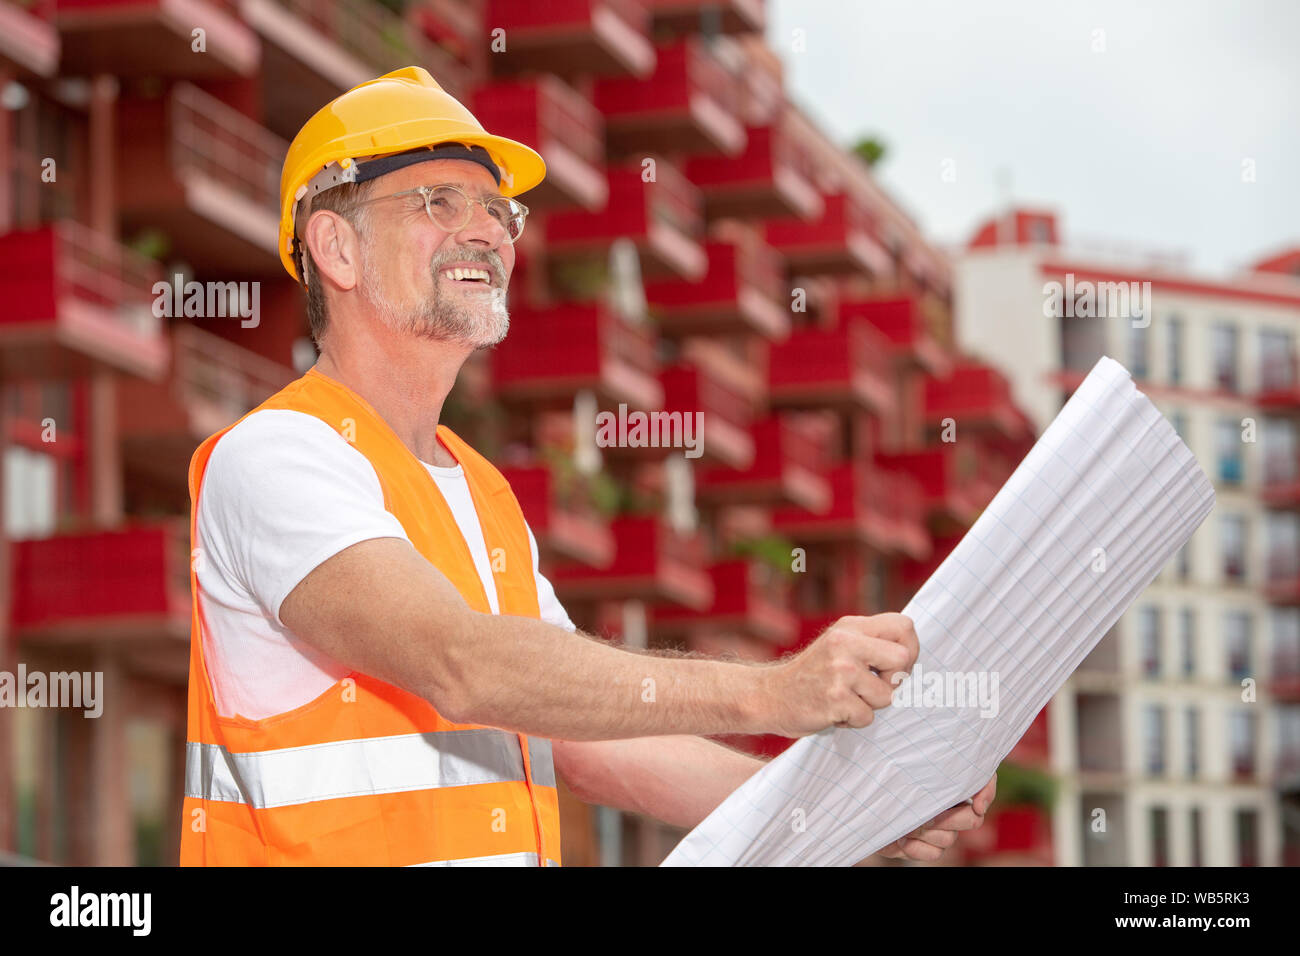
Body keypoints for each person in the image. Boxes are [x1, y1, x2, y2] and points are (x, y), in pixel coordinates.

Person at [180, 67, 995, 867]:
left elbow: (589, 743)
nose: (488, 231)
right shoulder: (276, 456)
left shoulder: (479, 492)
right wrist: (773, 693)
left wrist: (841, 811)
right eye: (439, 202)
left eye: (499, 211)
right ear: (338, 248)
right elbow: (462, 663)